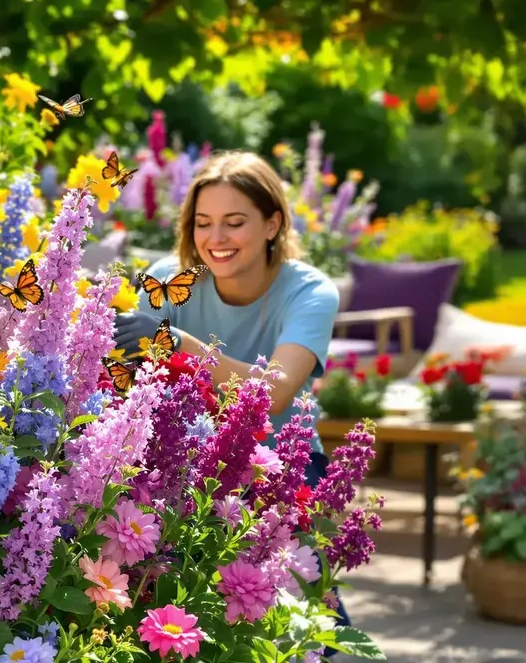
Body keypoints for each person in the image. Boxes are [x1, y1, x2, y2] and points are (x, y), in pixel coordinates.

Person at [113, 150, 349, 630]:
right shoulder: (167, 281)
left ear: (272, 224)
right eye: (203, 223)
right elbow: (135, 384)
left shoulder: (311, 292)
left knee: (299, 615)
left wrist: (179, 344)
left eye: (234, 222)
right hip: (185, 466)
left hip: (282, 469)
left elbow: (275, 393)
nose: (215, 239)